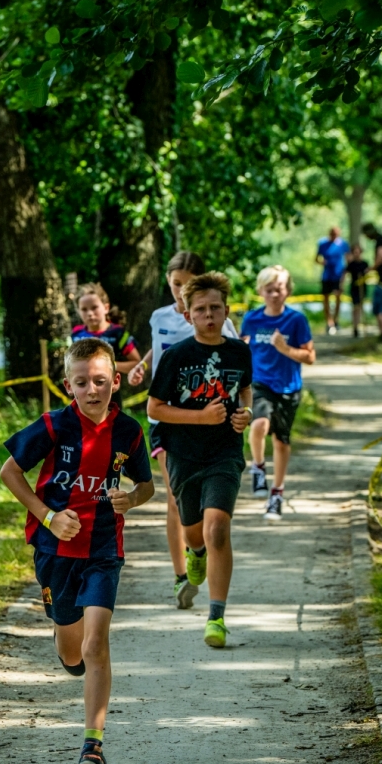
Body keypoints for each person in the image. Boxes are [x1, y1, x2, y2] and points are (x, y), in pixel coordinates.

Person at [0, 337, 154, 764]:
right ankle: (65, 641)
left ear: (116, 382)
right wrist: (48, 516)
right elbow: (9, 471)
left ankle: (93, 746)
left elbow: (145, 485)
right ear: (69, 385)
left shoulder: (129, 432)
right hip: (56, 553)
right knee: (73, 652)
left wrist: (131, 499)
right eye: (82, 382)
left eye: (101, 381)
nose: (92, 390)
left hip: (104, 549)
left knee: (95, 644)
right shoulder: (53, 425)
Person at [126, 251, 239, 610]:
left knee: (202, 507)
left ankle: (199, 550)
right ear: (168, 282)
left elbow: (234, 360)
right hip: (166, 418)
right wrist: (143, 366)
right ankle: (181, 573)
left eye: (187, 285)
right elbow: (160, 350)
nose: (180, 291)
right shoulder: (159, 316)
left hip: (209, 423)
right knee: (174, 498)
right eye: (176, 284)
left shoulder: (213, 318)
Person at [147, 272, 253, 649]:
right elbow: (154, 408)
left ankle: (216, 616)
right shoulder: (176, 356)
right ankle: (195, 553)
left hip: (225, 451)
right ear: (188, 315)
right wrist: (200, 417)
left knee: (218, 528)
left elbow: (244, 391)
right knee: (194, 532)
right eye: (201, 309)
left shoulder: (239, 351)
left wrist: (246, 414)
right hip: (183, 453)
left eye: (215, 308)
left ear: (226, 311)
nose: (209, 315)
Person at [240, 265, 315, 519]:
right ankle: (258, 467)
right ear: (261, 291)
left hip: (288, 388)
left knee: (281, 442)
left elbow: (310, 356)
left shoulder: (296, 320)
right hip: (260, 383)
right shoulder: (252, 319)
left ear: (288, 290)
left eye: (279, 289)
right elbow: (242, 348)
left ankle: (276, 494)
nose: (274, 294)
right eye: (269, 289)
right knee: (259, 424)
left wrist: (286, 349)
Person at [71, 283, 140, 377]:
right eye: (84, 309)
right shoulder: (76, 333)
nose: (90, 313)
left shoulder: (118, 333)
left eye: (94, 307)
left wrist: (110, 365)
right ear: (78, 312)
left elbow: (137, 363)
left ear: (106, 308)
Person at [314, 226, 349, 335]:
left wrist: (345, 274)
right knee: (326, 298)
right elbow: (316, 259)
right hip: (326, 275)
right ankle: (329, 322)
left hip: (338, 275)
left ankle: (336, 320)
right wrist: (323, 263)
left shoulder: (343, 244)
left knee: (338, 297)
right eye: (332, 234)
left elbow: (348, 258)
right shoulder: (323, 243)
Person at [343, 246, 369, 337]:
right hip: (354, 289)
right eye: (355, 252)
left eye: (358, 252)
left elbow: (369, 273)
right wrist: (342, 284)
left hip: (362, 288)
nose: (357, 254)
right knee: (355, 307)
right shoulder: (351, 264)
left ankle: (361, 324)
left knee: (361, 307)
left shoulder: (365, 264)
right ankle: (355, 327)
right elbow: (345, 273)